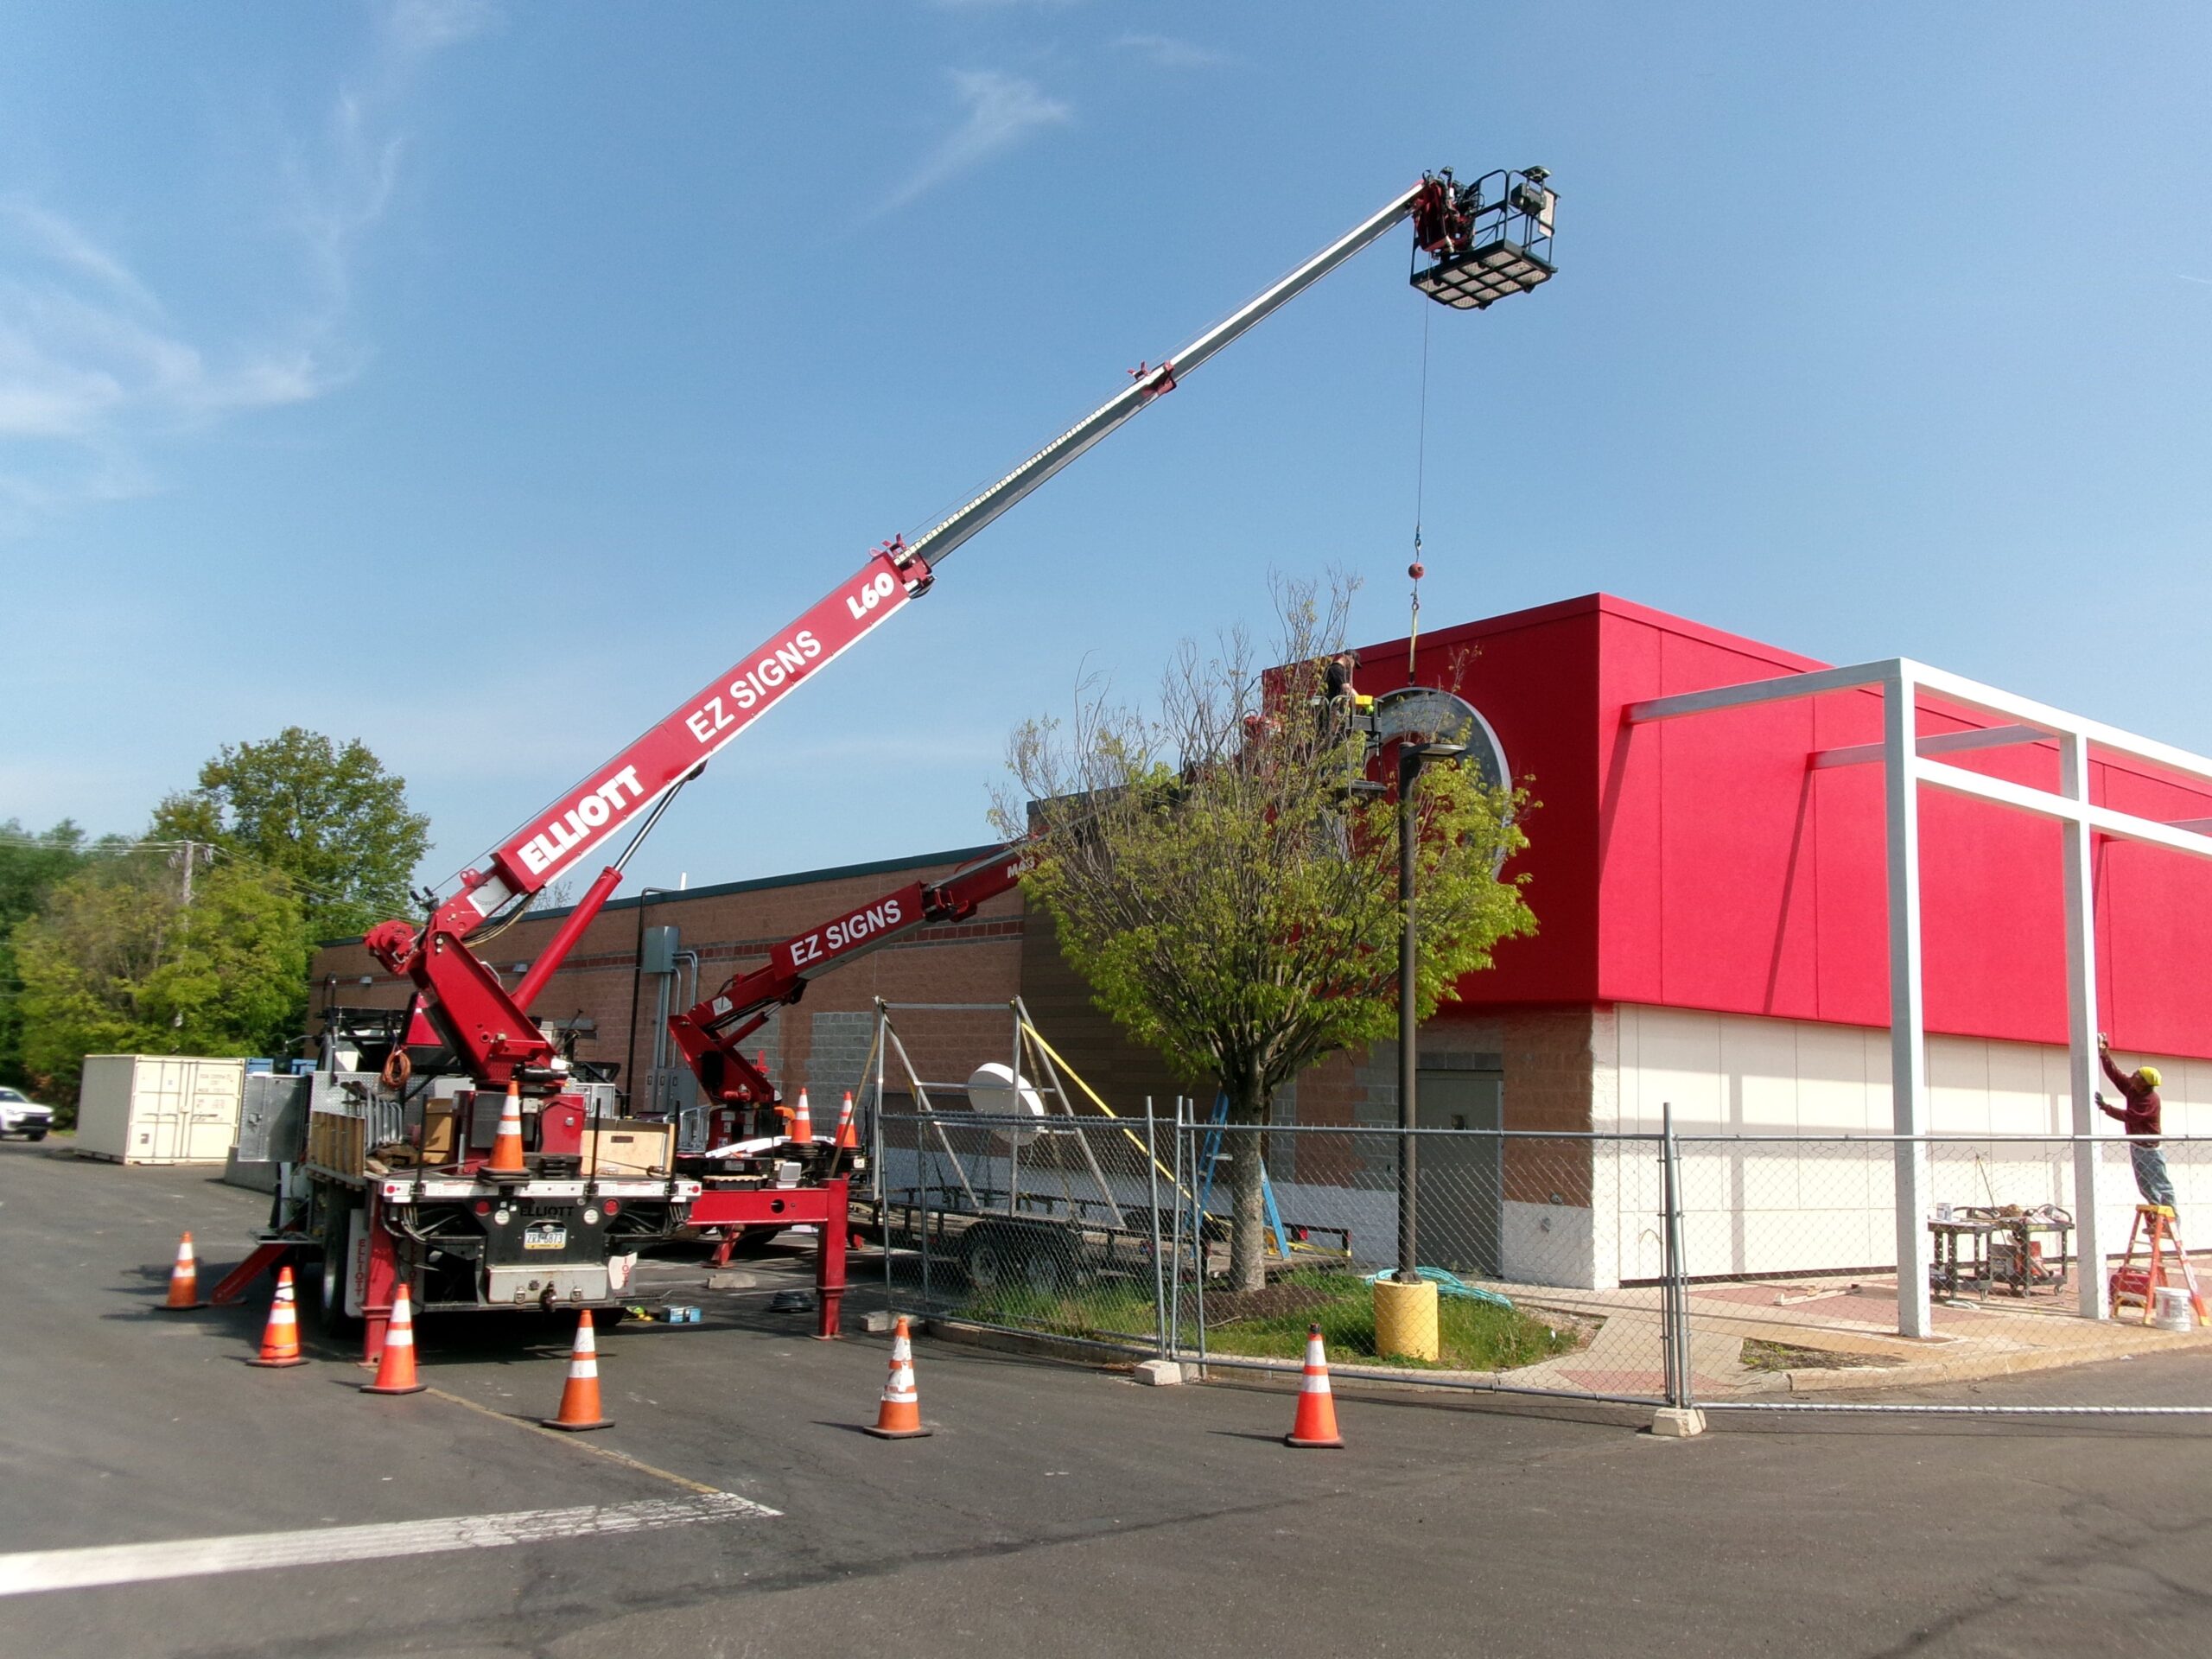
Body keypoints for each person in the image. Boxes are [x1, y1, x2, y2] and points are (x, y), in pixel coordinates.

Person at [2097, 1033, 2174, 1211]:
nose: (2132, 1075)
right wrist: (2104, 1054)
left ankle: (2172, 1219)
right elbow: (2115, 1075)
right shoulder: (2134, 1089)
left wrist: (2105, 1107)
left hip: (2150, 1149)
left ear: (2144, 1082)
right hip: (2137, 1145)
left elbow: (2130, 1116)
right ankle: (2157, 1217)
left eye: (2137, 1075)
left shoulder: (2149, 1100)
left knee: (2162, 1186)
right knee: (2145, 1186)